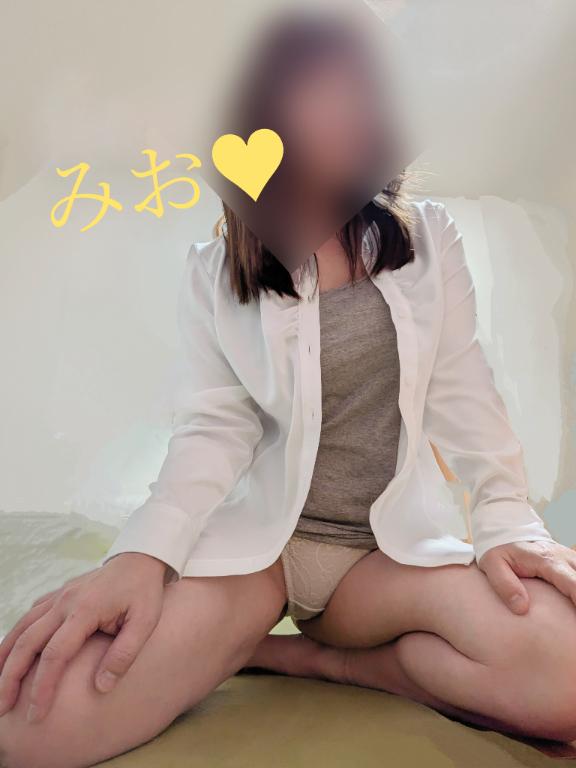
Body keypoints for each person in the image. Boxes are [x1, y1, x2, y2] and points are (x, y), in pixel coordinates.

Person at [3, 17, 576, 768]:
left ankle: (322, 663)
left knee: (567, 678)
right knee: (35, 728)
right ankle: (259, 639)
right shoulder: (214, 272)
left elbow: (468, 398)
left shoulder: (430, 240)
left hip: (384, 561)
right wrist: (140, 556)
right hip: (261, 557)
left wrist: (510, 527)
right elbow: (215, 429)